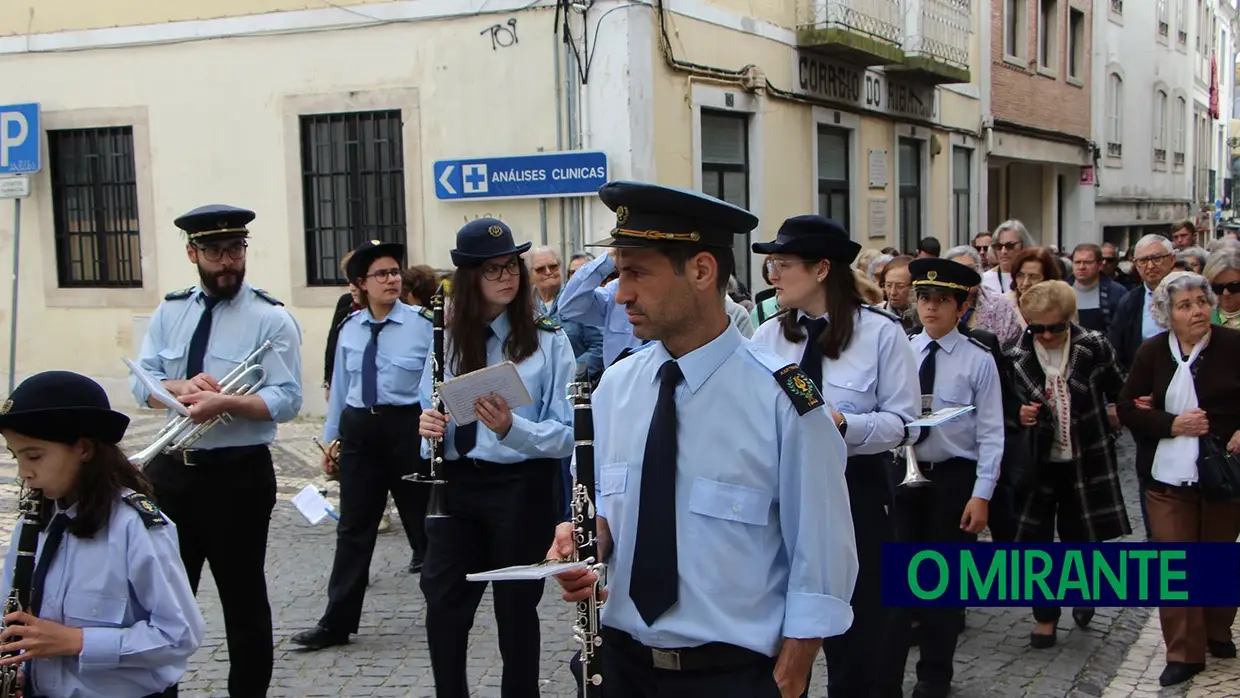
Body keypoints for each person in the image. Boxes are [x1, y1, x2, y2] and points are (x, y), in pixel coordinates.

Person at [550, 183, 857, 698]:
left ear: (701, 271)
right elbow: (609, 508)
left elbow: (823, 550)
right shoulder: (616, 388)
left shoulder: (784, 398)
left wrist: (792, 669)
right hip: (621, 665)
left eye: (636, 272)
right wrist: (583, 540)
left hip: (734, 675)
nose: (621, 294)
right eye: (619, 273)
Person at [130, 204, 303, 698]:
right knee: (162, 597)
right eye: (214, 252)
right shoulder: (170, 310)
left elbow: (287, 400)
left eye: (235, 250)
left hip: (237, 476)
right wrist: (179, 387)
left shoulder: (270, 318)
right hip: (172, 474)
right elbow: (140, 383)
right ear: (193, 253)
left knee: (243, 599)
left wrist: (226, 402)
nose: (227, 261)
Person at [749, 214, 919, 698]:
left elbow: (903, 424)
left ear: (822, 268)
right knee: (778, 645)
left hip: (857, 494)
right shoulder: (767, 337)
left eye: (782, 264)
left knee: (861, 646)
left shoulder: (881, 334)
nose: (773, 275)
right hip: (785, 499)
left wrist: (846, 425)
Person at [417, 218, 576, 698]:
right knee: (444, 609)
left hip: (520, 489)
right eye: (492, 269)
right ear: (469, 278)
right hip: (456, 489)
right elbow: (428, 412)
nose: (507, 276)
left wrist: (512, 428)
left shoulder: (548, 339)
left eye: (511, 266)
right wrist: (427, 431)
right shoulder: (442, 337)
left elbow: (569, 435)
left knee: (516, 613)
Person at [0, 370, 206, 698]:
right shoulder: (32, 524)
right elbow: (12, 618)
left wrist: (76, 642)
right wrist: (22, 667)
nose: (24, 473)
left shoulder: (134, 526)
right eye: (16, 457)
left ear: (83, 449)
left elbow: (178, 636)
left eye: (34, 456)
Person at [290, 240, 434, 652]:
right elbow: (341, 388)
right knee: (354, 527)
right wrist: (332, 440)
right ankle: (337, 621)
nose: (392, 280)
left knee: (423, 524)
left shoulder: (423, 325)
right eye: (381, 275)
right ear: (360, 284)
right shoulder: (349, 329)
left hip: (406, 427)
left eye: (395, 273)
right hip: (359, 431)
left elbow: (432, 386)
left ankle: (444, 609)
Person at [882, 258, 1004, 698]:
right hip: (902, 474)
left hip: (952, 480)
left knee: (944, 586)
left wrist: (982, 494)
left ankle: (934, 675)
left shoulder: (978, 360)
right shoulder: (899, 350)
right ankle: (888, 675)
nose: (930, 307)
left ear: (960, 306)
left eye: (941, 300)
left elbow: (991, 433)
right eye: (923, 297)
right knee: (896, 584)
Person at [1117, 271, 1240, 687]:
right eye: (1185, 306)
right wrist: (1172, 423)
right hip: (1168, 479)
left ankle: (1217, 630)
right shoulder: (1151, 353)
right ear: (1168, 314)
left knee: (1218, 557)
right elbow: (1127, 409)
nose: (1197, 311)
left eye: (1201, 302)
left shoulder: (1233, 346)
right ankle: (1183, 652)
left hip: (1223, 474)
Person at [1006, 281, 1130, 648]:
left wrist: (1112, 417)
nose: (1046, 335)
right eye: (1037, 328)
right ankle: (1045, 617)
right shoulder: (1015, 356)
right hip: (1038, 464)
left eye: (1054, 327)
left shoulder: (1093, 346)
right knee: (1035, 545)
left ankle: (1083, 591)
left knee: (1083, 536)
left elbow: (1121, 389)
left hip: (1087, 459)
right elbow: (1001, 410)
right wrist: (1020, 414)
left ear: (1068, 319)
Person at [981, 220, 1033, 297]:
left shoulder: (1035, 277)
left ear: (1023, 245)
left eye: (1010, 246)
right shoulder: (983, 280)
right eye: (998, 246)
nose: (1003, 251)